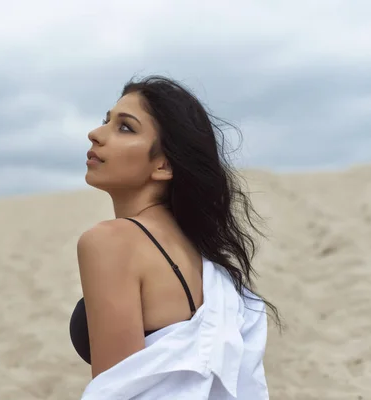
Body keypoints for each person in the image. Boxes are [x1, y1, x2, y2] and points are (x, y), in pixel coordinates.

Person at [69, 75, 280, 399]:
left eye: (125, 127)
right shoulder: (201, 256)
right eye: (105, 121)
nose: (96, 134)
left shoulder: (110, 242)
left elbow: (119, 391)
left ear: (164, 164)